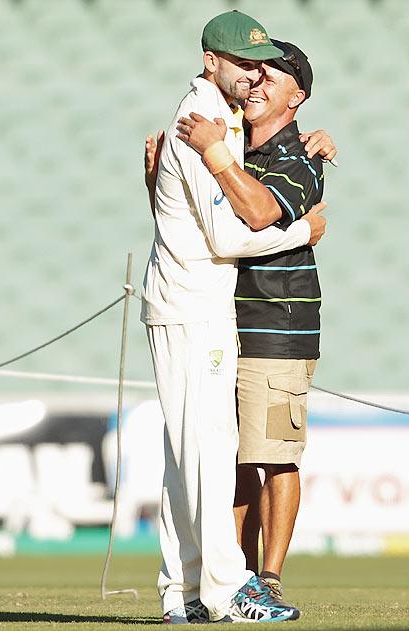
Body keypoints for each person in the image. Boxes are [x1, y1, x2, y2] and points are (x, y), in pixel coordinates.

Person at [140, 10, 327, 624]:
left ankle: (183, 593)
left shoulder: (219, 125)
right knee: (208, 451)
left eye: (260, 64)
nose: (253, 75)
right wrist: (301, 230)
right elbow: (226, 234)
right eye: (244, 64)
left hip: (188, 302)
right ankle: (223, 592)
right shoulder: (206, 123)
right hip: (196, 307)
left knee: (187, 453)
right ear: (210, 61)